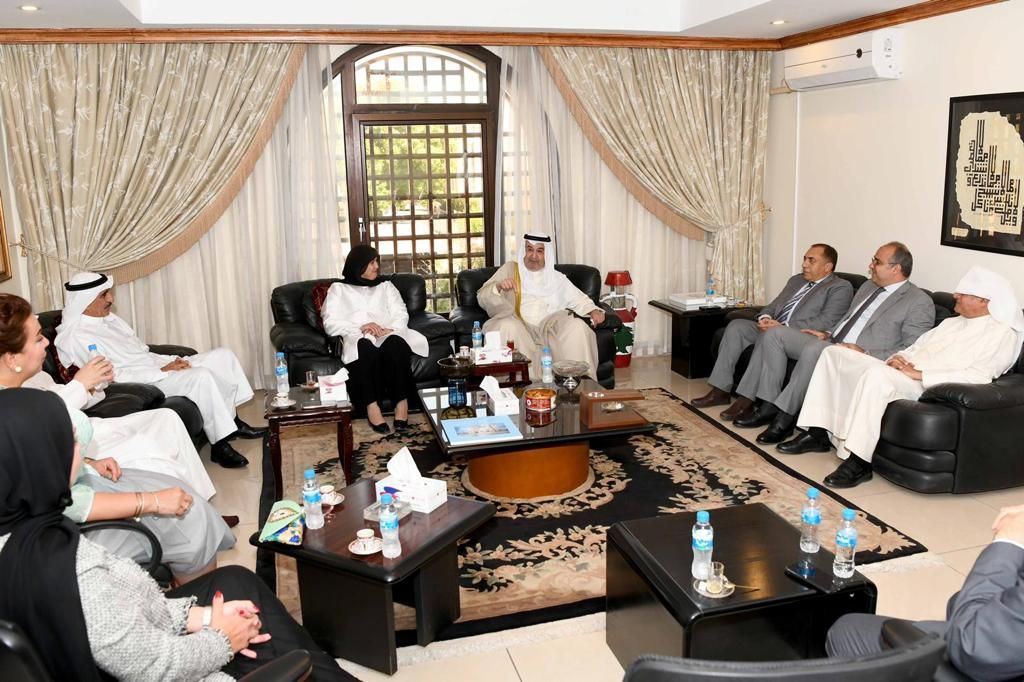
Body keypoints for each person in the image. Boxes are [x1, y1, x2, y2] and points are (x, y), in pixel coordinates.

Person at [0, 389, 352, 681]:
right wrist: (223, 637)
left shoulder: (30, 530)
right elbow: (156, 667)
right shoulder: (72, 572)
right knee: (268, 640)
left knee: (236, 582)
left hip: (144, 638)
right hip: (167, 667)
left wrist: (202, 617)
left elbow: (128, 613)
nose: (82, 448)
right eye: (71, 441)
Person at [793, 266, 1023, 488]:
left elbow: (980, 375)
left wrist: (920, 374)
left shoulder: (1002, 333)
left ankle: (860, 462)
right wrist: (899, 358)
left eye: (963, 293)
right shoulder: (952, 322)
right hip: (904, 372)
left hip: (929, 386)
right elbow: (917, 347)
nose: (955, 295)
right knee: (835, 353)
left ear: (984, 301)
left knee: (877, 376)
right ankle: (818, 433)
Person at [0, 293, 216, 501]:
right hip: (71, 445)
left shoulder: (37, 376)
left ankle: (201, 500)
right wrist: (80, 384)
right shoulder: (6, 405)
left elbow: (66, 398)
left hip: (86, 427)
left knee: (166, 418)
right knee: (148, 445)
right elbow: (43, 422)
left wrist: (94, 384)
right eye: (38, 338)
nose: (47, 342)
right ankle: (182, 505)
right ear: (11, 358)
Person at [53, 271, 265, 468]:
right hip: (143, 381)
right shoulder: (77, 337)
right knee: (200, 377)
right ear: (85, 301)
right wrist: (163, 371)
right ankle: (220, 445)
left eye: (108, 292)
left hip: (156, 367)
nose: (111, 299)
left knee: (222, 356)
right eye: (103, 295)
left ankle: (234, 422)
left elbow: (142, 352)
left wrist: (172, 360)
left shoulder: (109, 320)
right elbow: (111, 374)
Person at [733, 242, 935, 446]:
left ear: (896, 268)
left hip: (859, 356)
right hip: (831, 341)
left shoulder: (918, 301)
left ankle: (784, 419)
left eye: (877, 262)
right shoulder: (868, 286)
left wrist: (866, 351)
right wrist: (826, 333)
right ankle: (768, 404)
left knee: (815, 349)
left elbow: (913, 348)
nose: (871, 265)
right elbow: (848, 319)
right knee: (774, 334)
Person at [827, 504, 1024, 681]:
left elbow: (975, 646)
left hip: (981, 650)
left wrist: (1009, 543)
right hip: (1006, 639)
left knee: (848, 631)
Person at [692, 243, 853, 416]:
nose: (804, 264)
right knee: (736, 326)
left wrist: (783, 326)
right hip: (775, 327)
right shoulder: (796, 280)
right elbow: (774, 305)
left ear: (828, 267)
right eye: (805, 259)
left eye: (811, 260)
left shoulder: (840, 287)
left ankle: (746, 399)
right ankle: (720, 390)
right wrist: (765, 317)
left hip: (800, 335)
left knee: (770, 334)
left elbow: (826, 320)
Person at [321, 245, 428, 434]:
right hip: (357, 336)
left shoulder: (386, 286)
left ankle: (402, 404)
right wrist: (361, 327)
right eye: (371, 263)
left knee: (395, 344)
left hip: (387, 333)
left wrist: (390, 329)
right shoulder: (338, 289)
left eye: (376, 261)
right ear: (358, 265)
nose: (377, 266)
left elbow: (400, 313)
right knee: (364, 347)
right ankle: (372, 407)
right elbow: (330, 322)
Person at [477, 232, 606, 376]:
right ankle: (515, 387)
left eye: (539, 251)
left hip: (550, 328)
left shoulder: (557, 278)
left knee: (578, 327)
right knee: (506, 326)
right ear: (524, 250)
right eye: (530, 249)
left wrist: (593, 311)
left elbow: (579, 299)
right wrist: (499, 286)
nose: (533, 256)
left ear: (547, 254)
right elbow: (482, 296)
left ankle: (578, 384)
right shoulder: (510, 270)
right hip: (519, 325)